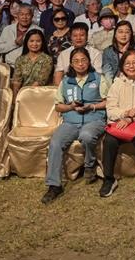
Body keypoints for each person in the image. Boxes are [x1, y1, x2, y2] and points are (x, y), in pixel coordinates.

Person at [41, 48, 109, 204]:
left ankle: (90, 165)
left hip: (94, 120)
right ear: (71, 64)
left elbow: (108, 101)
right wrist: (71, 107)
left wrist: (92, 107)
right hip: (71, 121)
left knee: (86, 135)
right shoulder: (66, 82)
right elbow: (58, 106)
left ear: (89, 61)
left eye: (84, 60)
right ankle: (54, 185)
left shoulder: (98, 79)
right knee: (55, 142)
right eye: (76, 61)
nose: (80, 64)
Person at [99, 49, 135, 197]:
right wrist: (125, 114)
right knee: (109, 141)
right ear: (122, 66)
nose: (131, 66)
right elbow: (111, 109)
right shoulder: (117, 83)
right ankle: (109, 179)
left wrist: (132, 119)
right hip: (120, 123)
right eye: (127, 63)